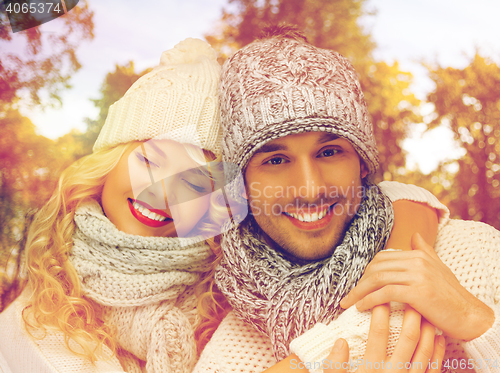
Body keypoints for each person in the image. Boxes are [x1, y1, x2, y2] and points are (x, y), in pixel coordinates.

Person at [194, 25, 500, 373]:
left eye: (329, 151)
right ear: (242, 184)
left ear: (361, 162)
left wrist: (478, 323)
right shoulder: (229, 353)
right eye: (275, 160)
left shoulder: (474, 253)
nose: (310, 189)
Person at [0, 38, 239, 373]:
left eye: (194, 181)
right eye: (151, 161)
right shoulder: (28, 322)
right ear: (109, 164)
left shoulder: (233, 314)